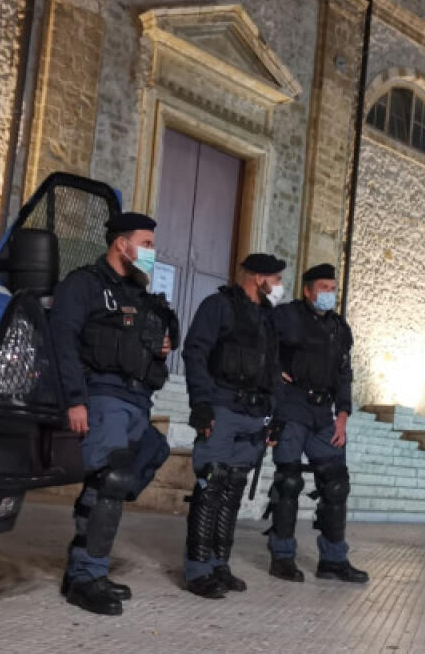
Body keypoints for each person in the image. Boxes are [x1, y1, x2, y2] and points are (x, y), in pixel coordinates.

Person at [49, 212, 178, 616]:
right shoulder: (84, 284)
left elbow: (157, 339)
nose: (152, 252)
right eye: (147, 243)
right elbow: (62, 341)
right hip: (103, 395)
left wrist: (162, 345)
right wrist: (75, 400)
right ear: (122, 243)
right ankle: (86, 576)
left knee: (138, 464)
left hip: (138, 400)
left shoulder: (140, 295)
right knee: (111, 478)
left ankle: (84, 568)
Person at [181, 252, 286, 599]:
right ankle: (197, 570)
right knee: (212, 484)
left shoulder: (270, 319)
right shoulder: (218, 306)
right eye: (277, 278)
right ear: (259, 278)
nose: (280, 286)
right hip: (223, 406)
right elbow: (195, 352)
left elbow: (275, 371)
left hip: (255, 414)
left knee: (233, 489)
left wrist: (276, 416)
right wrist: (201, 404)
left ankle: (218, 564)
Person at [266, 263, 369, 584]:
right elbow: (261, 345)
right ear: (308, 290)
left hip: (325, 414)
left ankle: (333, 560)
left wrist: (343, 416)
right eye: (323, 288)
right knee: (289, 482)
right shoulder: (285, 316)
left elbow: (344, 374)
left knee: (336, 484)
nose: (329, 294)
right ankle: (282, 556)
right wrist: (271, 373)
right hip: (292, 406)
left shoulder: (339, 328)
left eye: (332, 288)